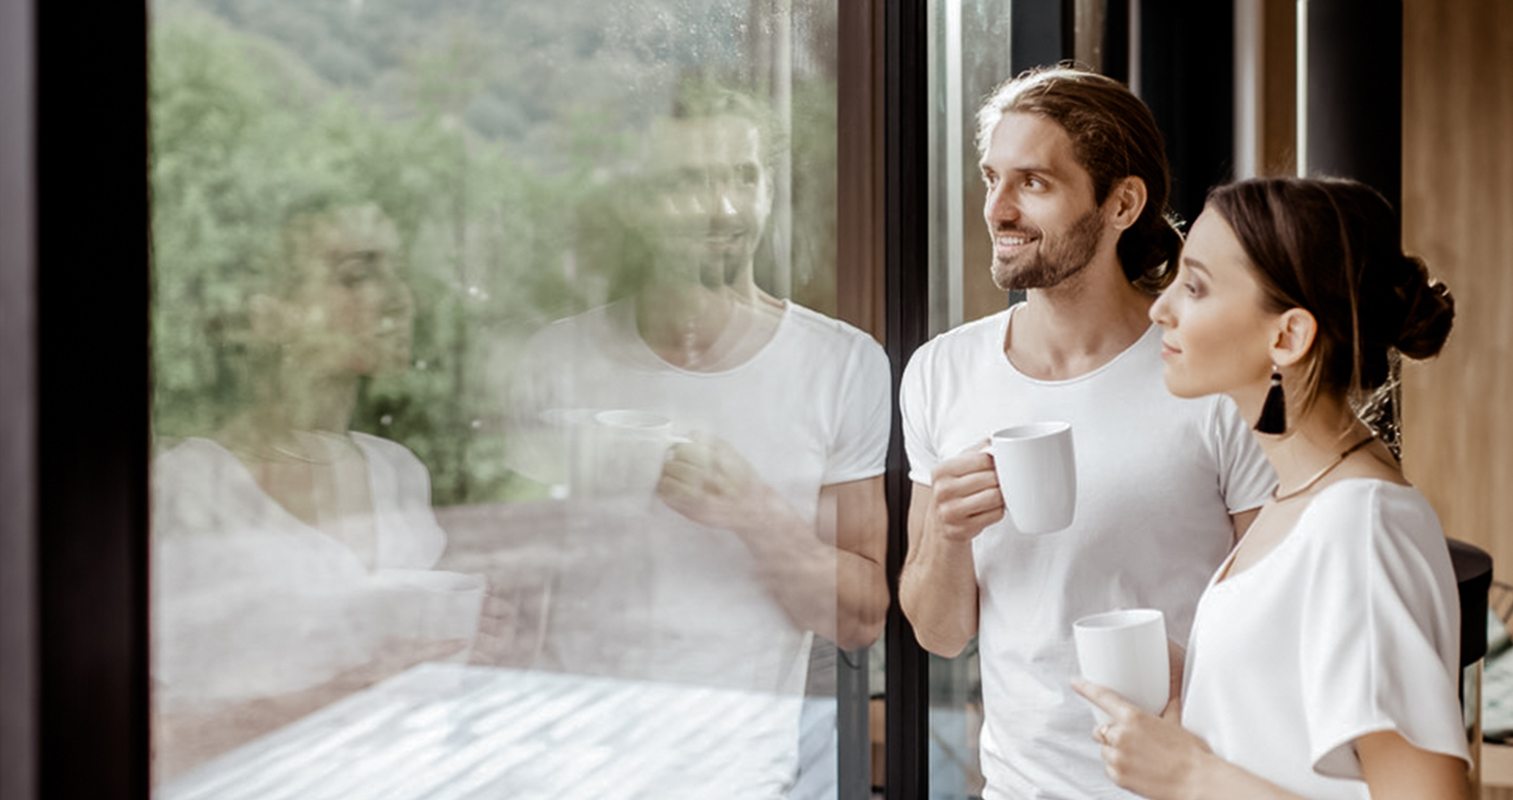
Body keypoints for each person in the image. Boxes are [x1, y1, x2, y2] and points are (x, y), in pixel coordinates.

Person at [899, 66, 1277, 799]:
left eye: (1033, 183)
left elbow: (1278, 621)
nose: (997, 210)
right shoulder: (940, 371)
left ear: (1121, 204)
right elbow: (940, 634)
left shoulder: (1209, 380)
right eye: (990, 179)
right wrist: (945, 536)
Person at [509, 85, 889, 799]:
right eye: (687, 182)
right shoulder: (554, 362)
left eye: (742, 176)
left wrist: (753, 512)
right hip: (565, 767)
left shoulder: (842, 365)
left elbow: (861, 617)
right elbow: (514, 594)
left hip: (739, 776)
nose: (723, 208)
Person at [1072, 175, 1470, 800]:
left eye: (1195, 287)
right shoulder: (1301, 499)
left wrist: (1188, 776)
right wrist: (1201, 686)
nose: (1160, 307)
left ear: (1287, 336)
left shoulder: (1361, 524)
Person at [151, 199, 499, 780]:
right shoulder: (186, 489)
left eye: (396, 272)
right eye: (354, 276)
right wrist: (344, 695)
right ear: (266, 313)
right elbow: (136, 730)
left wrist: (470, 652)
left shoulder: (398, 473)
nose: (394, 299)